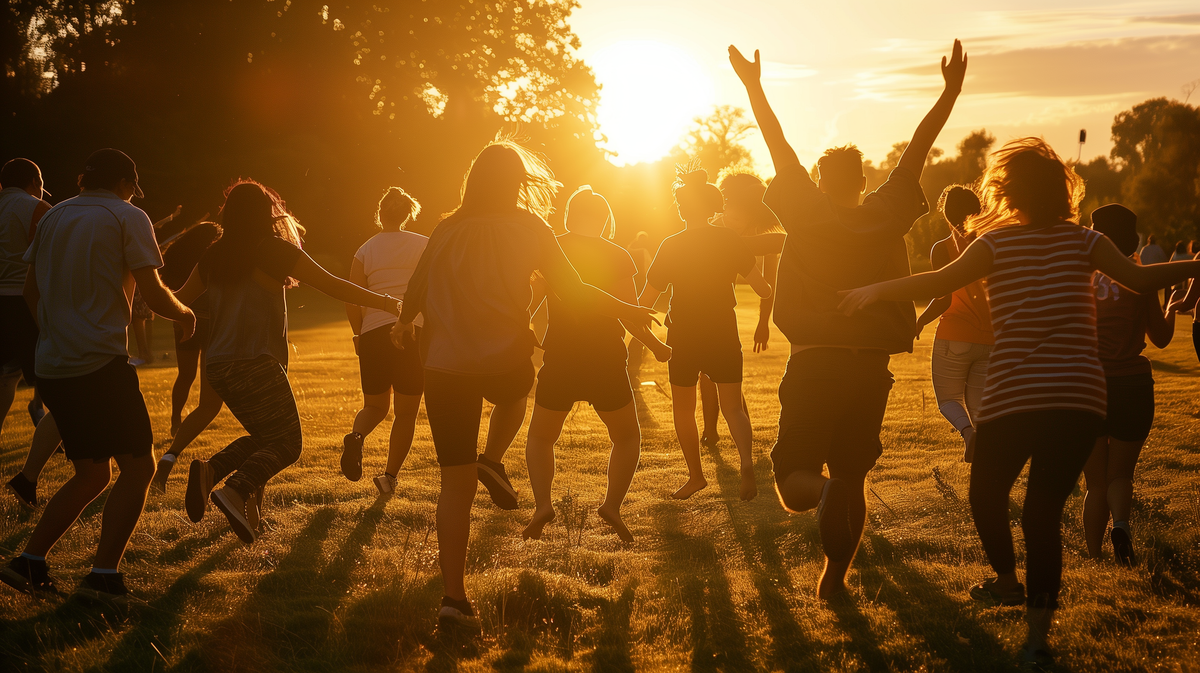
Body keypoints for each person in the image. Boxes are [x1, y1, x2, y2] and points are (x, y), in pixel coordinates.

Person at [837, 138, 1200, 668]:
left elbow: (938, 282)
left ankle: (1008, 583)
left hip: (1014, 395)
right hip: (1078, 399)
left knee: (986, 496)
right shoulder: (1084, 241)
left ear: (1006, 190)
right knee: (1041, 516)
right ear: (1061, 190)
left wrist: (875, 289)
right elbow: (1141, 279)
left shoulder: (997, 245)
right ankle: (1035, 637)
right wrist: (1193, 265)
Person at [391, 139, 655, 636]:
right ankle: (492, 457)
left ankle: (454, 597)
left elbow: (417, 288)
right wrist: (628, 310)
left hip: (444, 368)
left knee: (455, 484)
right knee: (517, 391)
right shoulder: (530, 228)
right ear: (518, 183)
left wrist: (405, 323)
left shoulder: (445, 228)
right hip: (504, 362)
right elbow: (573, 288)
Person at [731, 40, 963, 599]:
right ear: (863, 181)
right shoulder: (886, 214)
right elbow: (918, 151)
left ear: (817, 178)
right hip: (871, 370)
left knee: (795, 485)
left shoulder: (806, 212)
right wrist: (949, 91)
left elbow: (776, 141)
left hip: (816, 366)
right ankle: (835, 578)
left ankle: (831, 526)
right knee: (852, 476)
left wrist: (753, 86)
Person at [0, 149, 196, 603]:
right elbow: (152, 290)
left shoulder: (55, 215)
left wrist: (53, 330)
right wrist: (185, 315)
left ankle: (28, 563)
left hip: (53, 362)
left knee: (92, 475)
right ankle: (103, 577)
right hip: (101, 362)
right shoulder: (127, 215)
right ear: (126, 182)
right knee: (139, 467)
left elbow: (31, 290)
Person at [175, 180, 403, 544]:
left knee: (266, 437)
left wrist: (134, 291)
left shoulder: (214, 254)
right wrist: (389, 303)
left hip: (218, 365)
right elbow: (334, 285)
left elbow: (179, 301)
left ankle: (211, 471)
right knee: (288, 444)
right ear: (265, 213)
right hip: (255, 362)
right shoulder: (273, 250)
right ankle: (235, 489)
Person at [522, 186, 672, 542]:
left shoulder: (550, 249)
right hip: (606, 359)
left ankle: (543, 505)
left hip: (560, 357)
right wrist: (658, 346)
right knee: (626, 436)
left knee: (541, 437)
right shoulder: (619, 255)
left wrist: (518, 326)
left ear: (569, 216)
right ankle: (612, 506)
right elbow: (630, 314)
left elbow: (528, 304)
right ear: (605, 221)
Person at [639, 165, 772, 502]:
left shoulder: (670, 245)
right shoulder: (729, 239)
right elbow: (763, 288)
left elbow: (646, 301)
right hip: (722, 332)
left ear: (682, 208)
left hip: (683, 334)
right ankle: (745, 465)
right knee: (733, 408)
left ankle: (696, 477)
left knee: (683, 410)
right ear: (713, 207)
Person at [1081, 204, 1176, 565]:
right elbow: (1163, 338)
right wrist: (1170, 307)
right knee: (1121, 473)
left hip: (1088, 386)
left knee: (1095, 483)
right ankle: (1120, 525)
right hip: (1133, 384)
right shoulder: (1139, 277)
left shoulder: (1080, 278)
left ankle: (1094, 558)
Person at [341, 186, 427, 496]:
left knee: (375, 406)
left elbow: (352, 297)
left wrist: (358, 333)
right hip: (411, 332)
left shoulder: (365, 250)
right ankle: (389, 477)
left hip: (373, 334)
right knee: (405, 413)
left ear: (380, 214)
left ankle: (356, 437)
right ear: (409, 214)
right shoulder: (424, 245)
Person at [695, 170, 783, 449]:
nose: (732, 215)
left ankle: (729, 430)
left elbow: (770, 281)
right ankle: (710, 430)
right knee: (707, 370)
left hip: (723, 308)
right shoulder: (715, 225)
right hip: (703, 304)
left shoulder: (765, 233)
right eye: (728, 206)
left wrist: (763, 322)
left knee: (725, 371)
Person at [914, 186, 990, 461]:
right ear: (979, 211)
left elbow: (943, 298)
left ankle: (968, 434)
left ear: (946, 216)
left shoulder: (943, 249)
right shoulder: (992, 245)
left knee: (948, 400)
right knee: (981, 409)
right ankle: (987, 468)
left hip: (955, 335)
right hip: (991, 339)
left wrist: (920, 321)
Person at [149, 221, 223, 493]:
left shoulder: (179, 258)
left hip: (184, 320)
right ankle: (175, 435)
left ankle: (175, 418)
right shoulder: (213, 257)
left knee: (186, 375)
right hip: (212, 324)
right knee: (208, 395)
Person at [0, 158, 51, 439]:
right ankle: (42, 411)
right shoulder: (37, 208)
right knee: (50, 367)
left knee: (6, 375)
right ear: (35, 182)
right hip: (25, 299)